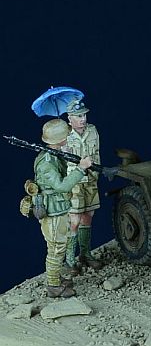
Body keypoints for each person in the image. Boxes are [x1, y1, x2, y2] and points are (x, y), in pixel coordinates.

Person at [35, 119, 92, 298]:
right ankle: (53, 285)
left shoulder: (54, 155)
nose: (68, 137)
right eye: (66, 135)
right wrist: (81, 169)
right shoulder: (46, 162)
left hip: (59, 207)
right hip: (52, 211)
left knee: (60, 244)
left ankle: (56, 278)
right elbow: (61, 186)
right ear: (60, 139)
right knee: (56, 248)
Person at [63, 99, 103, 273]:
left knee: (88, 217)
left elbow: (97, 154)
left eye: (84, 115)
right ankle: (69, 259)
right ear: (69, 118)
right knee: (74, 221)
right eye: (78, 116)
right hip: (75, 183)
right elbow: (61, 165)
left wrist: (96, 173)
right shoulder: (64, 136)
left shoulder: (92, 130)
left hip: (91, 180)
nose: (83, 119)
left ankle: (85, 254)